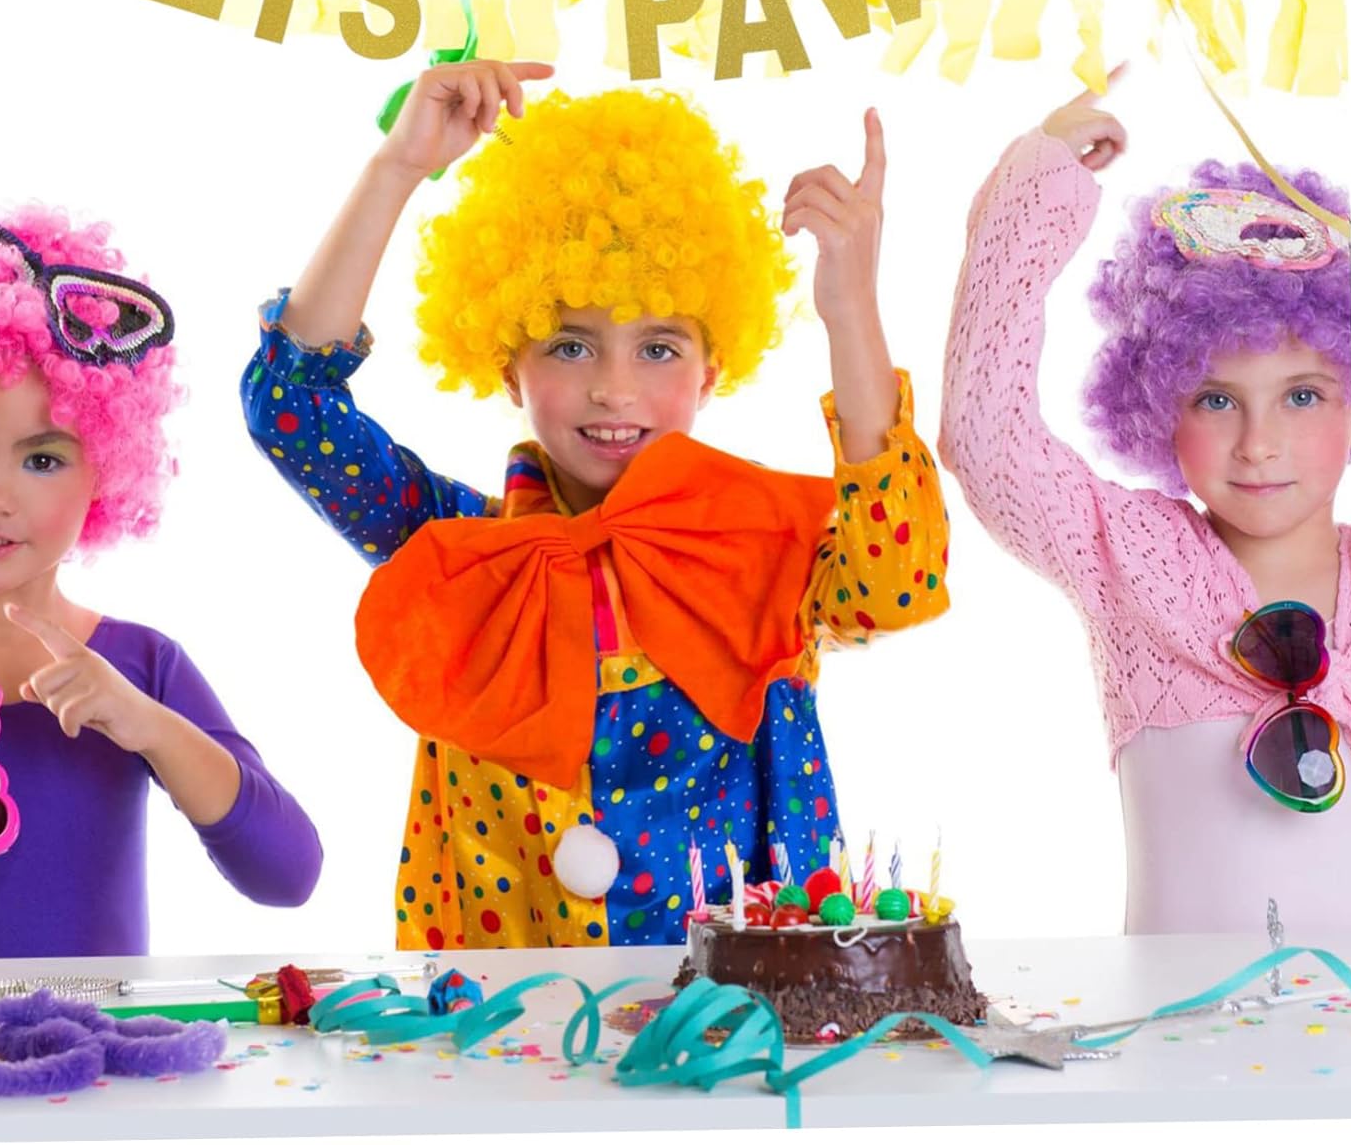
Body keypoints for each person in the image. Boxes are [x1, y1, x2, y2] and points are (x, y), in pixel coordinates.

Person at [242, 60, 950, 951]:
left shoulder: (755, 547)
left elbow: (898, 582)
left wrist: (851, 313)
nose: (614, 390)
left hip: (732, 1017)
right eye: (571, 346)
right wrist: (397, 171)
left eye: (658, 349)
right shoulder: (459, 555)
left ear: (712, 372)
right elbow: (293, 412)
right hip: (508, 1020)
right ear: (508, 366)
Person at [939, 81, 1351, 934]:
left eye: (1303, 396)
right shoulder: (1126, 557)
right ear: (1158, 406)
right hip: (1173, 1017)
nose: (1259, 443)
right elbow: (984, 435)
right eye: (1215, 400)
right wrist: (1037, 188)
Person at [0, 208, 323, 959]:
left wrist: (147, 725)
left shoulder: (142, 667)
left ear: (107, 473)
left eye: (42, 460)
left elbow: (288, 873)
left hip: (106, 1034)